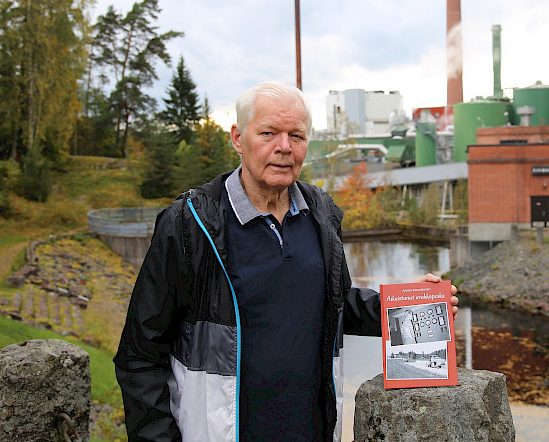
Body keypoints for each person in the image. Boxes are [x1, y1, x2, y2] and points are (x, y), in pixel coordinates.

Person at [114, 81, 458, 442]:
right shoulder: (191, 224)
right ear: (237, 139)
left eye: (296, 135)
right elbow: (140, 355)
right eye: (268, 133)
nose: (284, 147)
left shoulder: (321, 215)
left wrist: (415, 304)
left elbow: (334, 306)